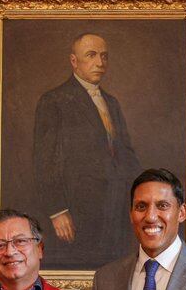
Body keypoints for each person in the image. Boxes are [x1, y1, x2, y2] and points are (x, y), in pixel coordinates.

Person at [32, 32, 142, 268]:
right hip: (78, 209)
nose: (100, 63)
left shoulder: (111, 102)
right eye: (91, 55)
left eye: (104, 56)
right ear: (74, 61)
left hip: (115, 207)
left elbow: (125, 155)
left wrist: (138, 200)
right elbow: (44, 161)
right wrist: (57, 210)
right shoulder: (55, 100)